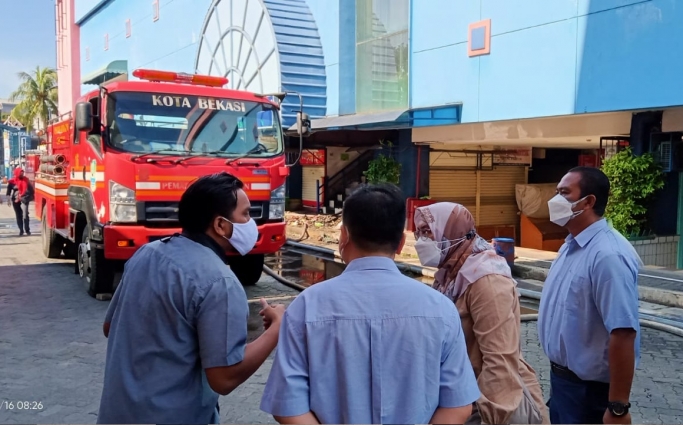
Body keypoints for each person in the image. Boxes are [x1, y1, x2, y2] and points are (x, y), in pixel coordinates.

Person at [260, 183, 480, 425]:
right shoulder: (441, 310)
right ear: (400, 243)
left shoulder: (306, 306)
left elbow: (288, 406)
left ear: (344, 235)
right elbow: (458, 406)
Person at [97, 172, 285, 424]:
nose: (251, 222)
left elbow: (110, 327)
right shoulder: (220, 282)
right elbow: (224, 377)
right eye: (246, 214)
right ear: (220, 225)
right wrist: (277, 329)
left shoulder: (147, 253)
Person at [413, 202, 548, 425]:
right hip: (464, 397)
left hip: (491, 404)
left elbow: (499, 360)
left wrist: (488, 416)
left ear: (453, 232)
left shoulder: (487, 280)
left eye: (427, 232)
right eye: (418, 233)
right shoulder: (451, 275)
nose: (421, 241)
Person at [538, 166, 642, 425]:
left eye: (564, 193)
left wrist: (618, 407)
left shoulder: (608, 255)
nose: (555, 200)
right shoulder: (570, 247)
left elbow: (623, 332)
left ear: (588, 202)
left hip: (589, 393)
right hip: (563, 385)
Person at [5, 167, 34, 236]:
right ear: (17, 173)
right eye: (20, 173)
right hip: (15, 200)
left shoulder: (26, 180)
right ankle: (21, 230)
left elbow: (31, 190)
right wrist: (8, 200)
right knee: (18, 215)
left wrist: (29, 196)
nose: (22, 174)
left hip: (24, 199)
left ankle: (27, 230)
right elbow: (8, 192)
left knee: (25, 215)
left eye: (22, 173)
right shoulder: (12, 182)